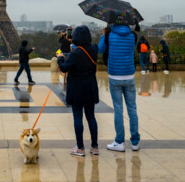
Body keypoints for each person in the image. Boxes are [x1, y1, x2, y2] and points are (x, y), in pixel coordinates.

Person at [57, 25, 99, 156]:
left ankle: (80, 147)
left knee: (77, 117)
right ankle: (94, 146)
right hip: (90, 87)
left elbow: (64, 68)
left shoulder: (75, 53)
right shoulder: (94, 49)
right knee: (91, 117)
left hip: (77, 89)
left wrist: (60, 58)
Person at [99, 23, 140, 152]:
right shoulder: (133, 35)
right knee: (132, 109)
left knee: (118, 109)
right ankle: (135, 141)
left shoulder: (109, 35)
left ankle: (119, 141)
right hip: (129, 75)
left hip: (115, 76)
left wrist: (103, 35)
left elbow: (100, 50)